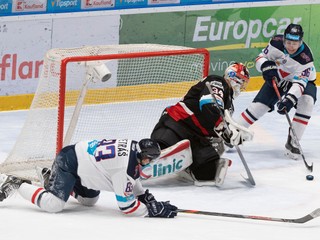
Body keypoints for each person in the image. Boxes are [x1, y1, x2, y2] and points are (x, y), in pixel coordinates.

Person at [0, 138, 178, 218]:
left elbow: (130, 178)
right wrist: (149, 210)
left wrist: (142, 196)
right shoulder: (125, 168)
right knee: (53, 205)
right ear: (145, 157)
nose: (149, 163)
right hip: (70, 162)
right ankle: (17, 183)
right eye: (150, 160)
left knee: (89, 200)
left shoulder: (134, 148)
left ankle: (50, 179)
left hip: (82, 161)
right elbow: (127, 207)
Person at [150, 62, 253, 186]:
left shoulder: (229, 105)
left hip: (197, 138)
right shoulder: (217, 81)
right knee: (157, 152)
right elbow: (209, 105)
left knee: (207, 172)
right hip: (177, 124)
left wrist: (233, 137)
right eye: (241, 80)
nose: (242, 85)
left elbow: (220, 128)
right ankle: (133, 160)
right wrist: (223, 129)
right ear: (232, 76)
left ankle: (185, 165)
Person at [237, 23, 317, 160]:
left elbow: (299, 84)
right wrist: (265, 65)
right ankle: (233, 134)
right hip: (279, 77)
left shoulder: (306, 59)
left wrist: (289, 99)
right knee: (259, 107)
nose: (291, 46)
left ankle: (293, 142)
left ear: (301, 42)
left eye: (295, 43)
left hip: (302, 82)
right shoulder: (276, 42)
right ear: (284, 39)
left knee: (307, 102)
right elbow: (260, 58)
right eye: (288, 42)